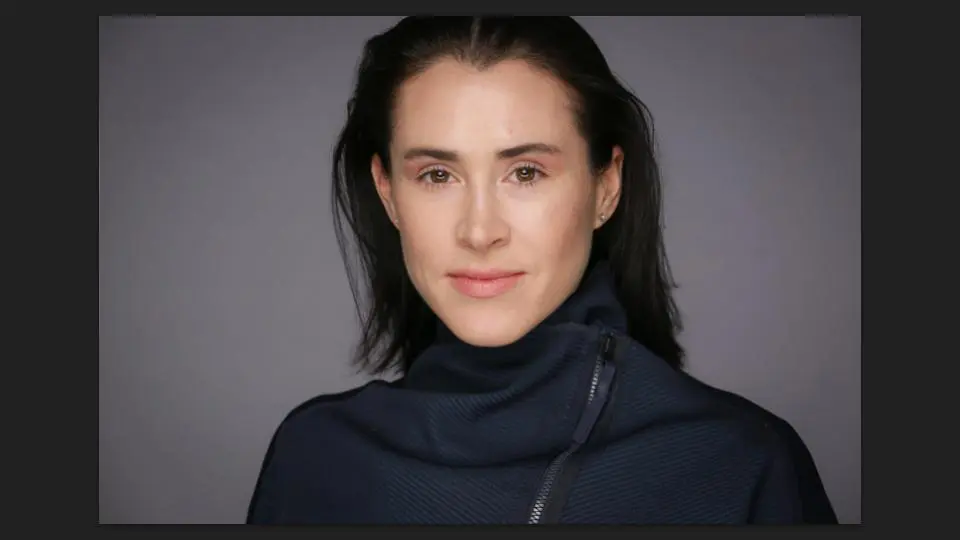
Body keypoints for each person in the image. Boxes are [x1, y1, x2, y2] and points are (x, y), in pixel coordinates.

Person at [246, 16, 837, 525]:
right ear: (388, 192)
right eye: (437, 175)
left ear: (606, 186)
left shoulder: (739, 466)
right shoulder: (315, 459)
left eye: (526, 172)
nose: (480, 231)